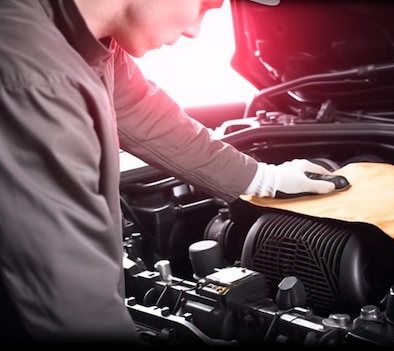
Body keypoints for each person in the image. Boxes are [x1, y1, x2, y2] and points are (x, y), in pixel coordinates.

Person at [0, 0, 337, 344]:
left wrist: (263, 179)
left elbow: (137, 109)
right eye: (206, 4)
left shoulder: (82, 37)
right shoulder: (33, 76)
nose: (194, 30)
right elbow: (74, 299)